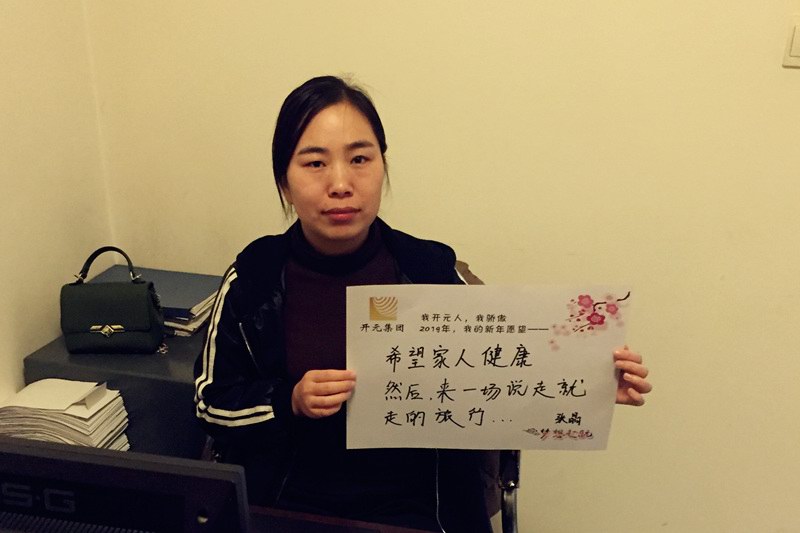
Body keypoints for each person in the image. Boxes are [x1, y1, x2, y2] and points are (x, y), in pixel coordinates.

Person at [193, 75, 652, 532]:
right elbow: (210, 403)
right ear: (284, 182)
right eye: (315, 163)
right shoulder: (253, 279)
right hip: (288, 507)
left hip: (423, 512)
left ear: (383, 166)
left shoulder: (431, 270)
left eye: (359, 159)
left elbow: (496, 383)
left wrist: (587, 384)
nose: (341, 183)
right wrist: (288, 400)